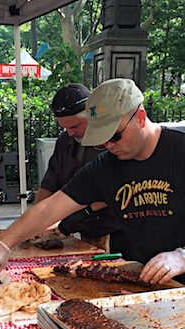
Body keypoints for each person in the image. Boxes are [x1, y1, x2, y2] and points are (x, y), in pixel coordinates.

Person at [0, 78, 185, 286]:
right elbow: (49, 209)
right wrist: (2, 245)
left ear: (140, 117)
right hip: (159, 281)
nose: (109, 146)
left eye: (114, 136)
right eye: (101, 141)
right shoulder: (105, 167)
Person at [42, 83, 136, 256]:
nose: (70, 133)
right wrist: (38, 220)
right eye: (65, 128)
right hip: (85, 231)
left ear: (92, 118)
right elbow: (49, 184)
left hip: (117, 230)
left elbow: (123, 187)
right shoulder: (64, 142)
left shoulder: (113, 142)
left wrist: (85, 210)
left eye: (75, 126)